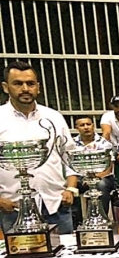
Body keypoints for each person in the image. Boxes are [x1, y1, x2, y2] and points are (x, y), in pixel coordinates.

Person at [0, 61, 78, 235]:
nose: (25, 88)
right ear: (6, 87)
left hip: (57, 204)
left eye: (30, 83)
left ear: (38, 87)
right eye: (18, 83)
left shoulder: (54, 117)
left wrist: (71, 188)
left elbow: (70, 155)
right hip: (13, 208)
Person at [73, 115, 117, 214]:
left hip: (102, 177)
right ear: (77, 128)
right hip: (80, 178)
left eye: (88, 124)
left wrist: (94, 178)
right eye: (82, 125)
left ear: (93, 126)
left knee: (101, 185)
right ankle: (76, 222)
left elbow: (109, 168)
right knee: (70, 186)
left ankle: (102, 217)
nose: (86, 127)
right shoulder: (72, 144)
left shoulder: (104, 143)